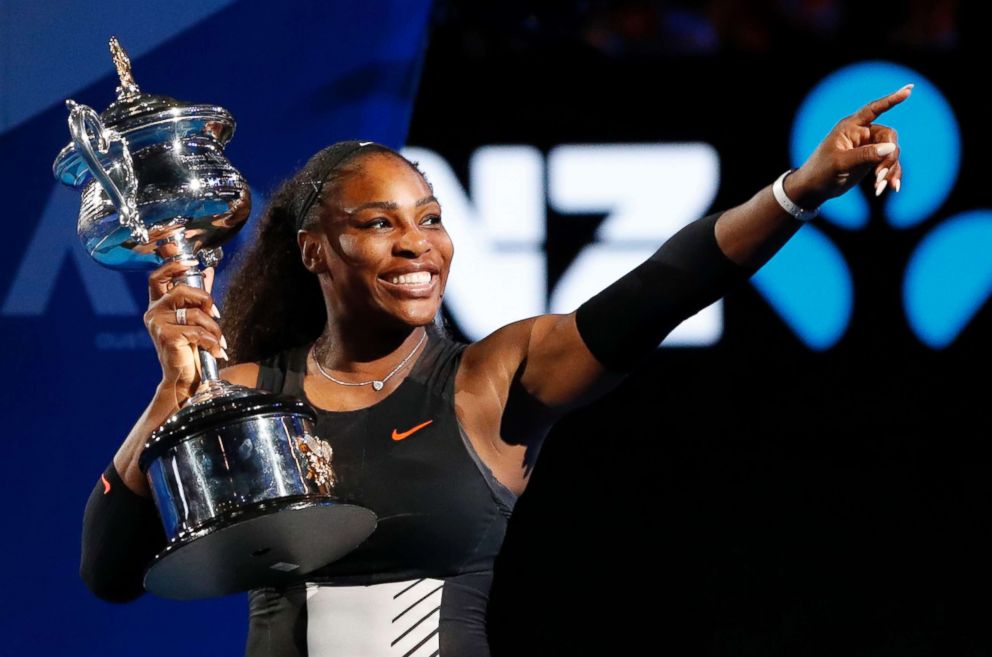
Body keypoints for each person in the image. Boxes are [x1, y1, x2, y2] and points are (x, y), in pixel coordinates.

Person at [80, 84, 911, 656]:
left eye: (431, 219)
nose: (418, 244)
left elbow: (665, 288)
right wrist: (168, 405)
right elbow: (109, 574)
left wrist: (800, 188)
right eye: (378, 223)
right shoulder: (248, 392)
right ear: (314, 252)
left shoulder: (491, 380)